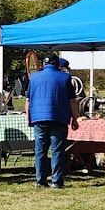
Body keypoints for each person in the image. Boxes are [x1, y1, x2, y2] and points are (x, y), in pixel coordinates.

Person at [27, 56, 75, 187]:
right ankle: (56, 181)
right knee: (57, 150)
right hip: (59, 118)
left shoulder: (34, 77)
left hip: (39, 118)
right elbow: (72, 101)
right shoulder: (65, 77)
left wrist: (28, 118)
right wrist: (75, 118)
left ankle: (40, 180)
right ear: (57, 64)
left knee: (40, 150)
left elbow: (28, 100)